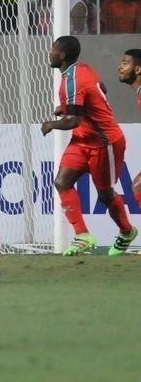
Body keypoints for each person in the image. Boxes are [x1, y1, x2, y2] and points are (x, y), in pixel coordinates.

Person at [42, 36, 137, 256]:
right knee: (61, 182)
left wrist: (52, 124)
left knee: (105, 195)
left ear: (62, 55)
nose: (50, 53)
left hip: (105, 142)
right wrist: (68, 107)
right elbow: (101, 88)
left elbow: (73, 121)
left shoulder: (73, 81)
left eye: (52, 50)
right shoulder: (83, 69)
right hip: (82, 139)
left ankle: (127, 231)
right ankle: (83, 235)